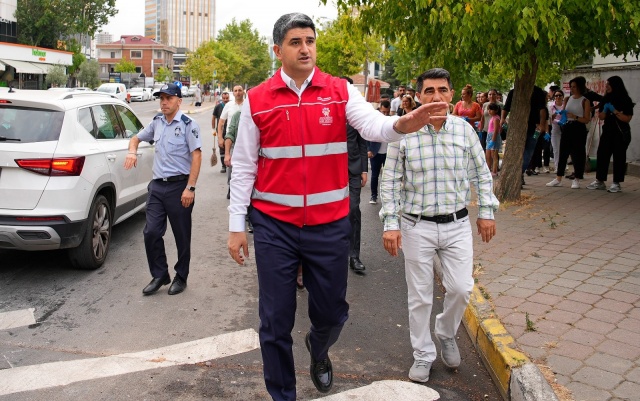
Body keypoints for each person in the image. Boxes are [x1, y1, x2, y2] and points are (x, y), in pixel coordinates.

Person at [227, 13, 448, 401]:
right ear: (278, 50)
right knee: (274, 320)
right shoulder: (258, 100)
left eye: (310, 40)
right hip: (274, 225)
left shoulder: (340, 91)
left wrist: (403, 123)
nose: (306, 48)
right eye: (296, 42)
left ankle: (319, 346)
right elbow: (244, 166)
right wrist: (235, 225)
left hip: (329, 223)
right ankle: (283, 394)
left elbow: (374, 127)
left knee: (332, 312)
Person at [379, 68, 498, 383]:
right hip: (416, 226)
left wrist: (487, 211)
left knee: (461, 288)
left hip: (457, 224)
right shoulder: (402, 133)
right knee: (420, 295)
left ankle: (445, 331)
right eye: (428, 91)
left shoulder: (464, 130)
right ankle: (423, 354)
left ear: (452, 94)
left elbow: (481, 173)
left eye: (442, 90)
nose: (435, 97)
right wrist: (391, 224)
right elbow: (389, 182)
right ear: (418, 96)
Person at [124, 83, 202, 296]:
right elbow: (136, 138)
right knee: (151, 232)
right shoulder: (157, 123)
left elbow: (196, 155)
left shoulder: (188, 124)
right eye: (161, 98)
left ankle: (181, 276)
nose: (164, 102)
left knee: (181, 235)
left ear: (179, 101)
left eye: (169, 98)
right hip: (158, 186)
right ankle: (160, 274)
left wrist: (191, 187)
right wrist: (132, 151)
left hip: (180, 187)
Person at [587, 76, 635, 193]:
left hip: (620, 132)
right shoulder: (606, 99)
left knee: (619, 156)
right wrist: (604, 110)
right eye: (606, 84)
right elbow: (601, 117)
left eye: (609, 84)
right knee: (602, 154)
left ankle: (616, 182)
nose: (607, 87)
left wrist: (615, 111)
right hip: (607, 131)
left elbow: (627, 118)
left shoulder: (625, 100)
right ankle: (600, 180)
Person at [342, 77, 369, 275]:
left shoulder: (356, 114)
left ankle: (354, 255)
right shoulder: (325, 110)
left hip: (352, 170)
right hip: (329, 172)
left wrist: (364, 169)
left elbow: (362, 143)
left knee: (353, 209)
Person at [546, 77, 592, 189]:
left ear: (580, 87)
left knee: (577, 154)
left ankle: (577, 178)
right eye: (571, 87)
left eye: (574, 86)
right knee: (563, 152)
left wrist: (575, 117)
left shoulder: (585, 101)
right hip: (567, 127)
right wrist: (560, 114)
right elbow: (563, 113)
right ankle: (558, 178)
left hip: (579, 127)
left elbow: (586, 119)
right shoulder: (567, 99)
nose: (572, 89)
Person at [501, 85, 547, 186]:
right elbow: (506, 107)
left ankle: (518, 174)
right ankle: (517, 175)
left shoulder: (537, 91)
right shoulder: (513, 92)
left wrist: (542, 124)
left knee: (529, 152)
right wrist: (502, 119)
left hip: (533, 128)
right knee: (517, 152)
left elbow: (542, 109)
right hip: (516, 127)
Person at [218, 86, 245, 177]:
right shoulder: (228, 106)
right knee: (231, 164)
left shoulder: (248, 105)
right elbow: (221, 122)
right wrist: (220, 138)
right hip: (231, 139)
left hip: (245, 139)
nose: (238, 92)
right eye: (235, 91)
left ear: (243, 92)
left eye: (240, 90)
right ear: (233, 93)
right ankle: (231, 186)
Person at [368, 100, 390, 204]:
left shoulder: (391, 120)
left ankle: (387, 197)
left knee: (388, 177)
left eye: (387, 112)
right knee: (374, 175)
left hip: (388, 153)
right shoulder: (374, 120)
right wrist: (368, 150)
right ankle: (373, 196)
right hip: (375, 152)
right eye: (383, 112)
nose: (385, 114)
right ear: (380, 109)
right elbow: (367, 135)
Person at [548, 90, 565, 173]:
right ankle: (557, 167)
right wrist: (554, 116)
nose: (558, 97)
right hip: (555, 129)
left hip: (565, 128)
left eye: (560, 95)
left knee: (563, 149)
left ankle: (563, 166)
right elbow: (549, 119)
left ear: (563, 96)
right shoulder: (550, 106)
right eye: (556, 96)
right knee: (556, 149)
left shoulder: (565, 105)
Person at [212, 91, 229, 171]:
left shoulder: (231, 106)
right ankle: (223, 166)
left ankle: (230, 164)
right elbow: (213, 118)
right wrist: (213, 129)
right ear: (222, 98)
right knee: (222, 148)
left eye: (227, 98)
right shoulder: (218, 107)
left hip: (230, 131)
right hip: (221, 131)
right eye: (224, 98)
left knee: (229, 148)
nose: (225, 100)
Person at [485, 102, 502, 175]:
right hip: (489, 136)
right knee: (488, 155)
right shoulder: (492, 118)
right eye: (488, 109)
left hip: (493, 137)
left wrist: (493, 140)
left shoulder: (496, 118)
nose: (489, 111)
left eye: (491, 109)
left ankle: (494, 171)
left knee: (494, 155)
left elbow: (496, 130)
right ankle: (488, 169)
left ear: (496, 110)